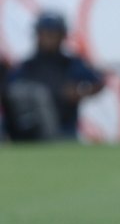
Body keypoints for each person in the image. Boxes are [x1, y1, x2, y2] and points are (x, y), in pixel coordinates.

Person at [3, 11, 104, 142]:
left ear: (62, 36)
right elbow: (8, 92)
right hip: (32, 134)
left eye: (52, 34)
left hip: (65, 130)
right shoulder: (27, 66)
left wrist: (80, 92)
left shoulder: (71, 63)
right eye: (44, 34)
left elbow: (99, 82)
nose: (48, 39)